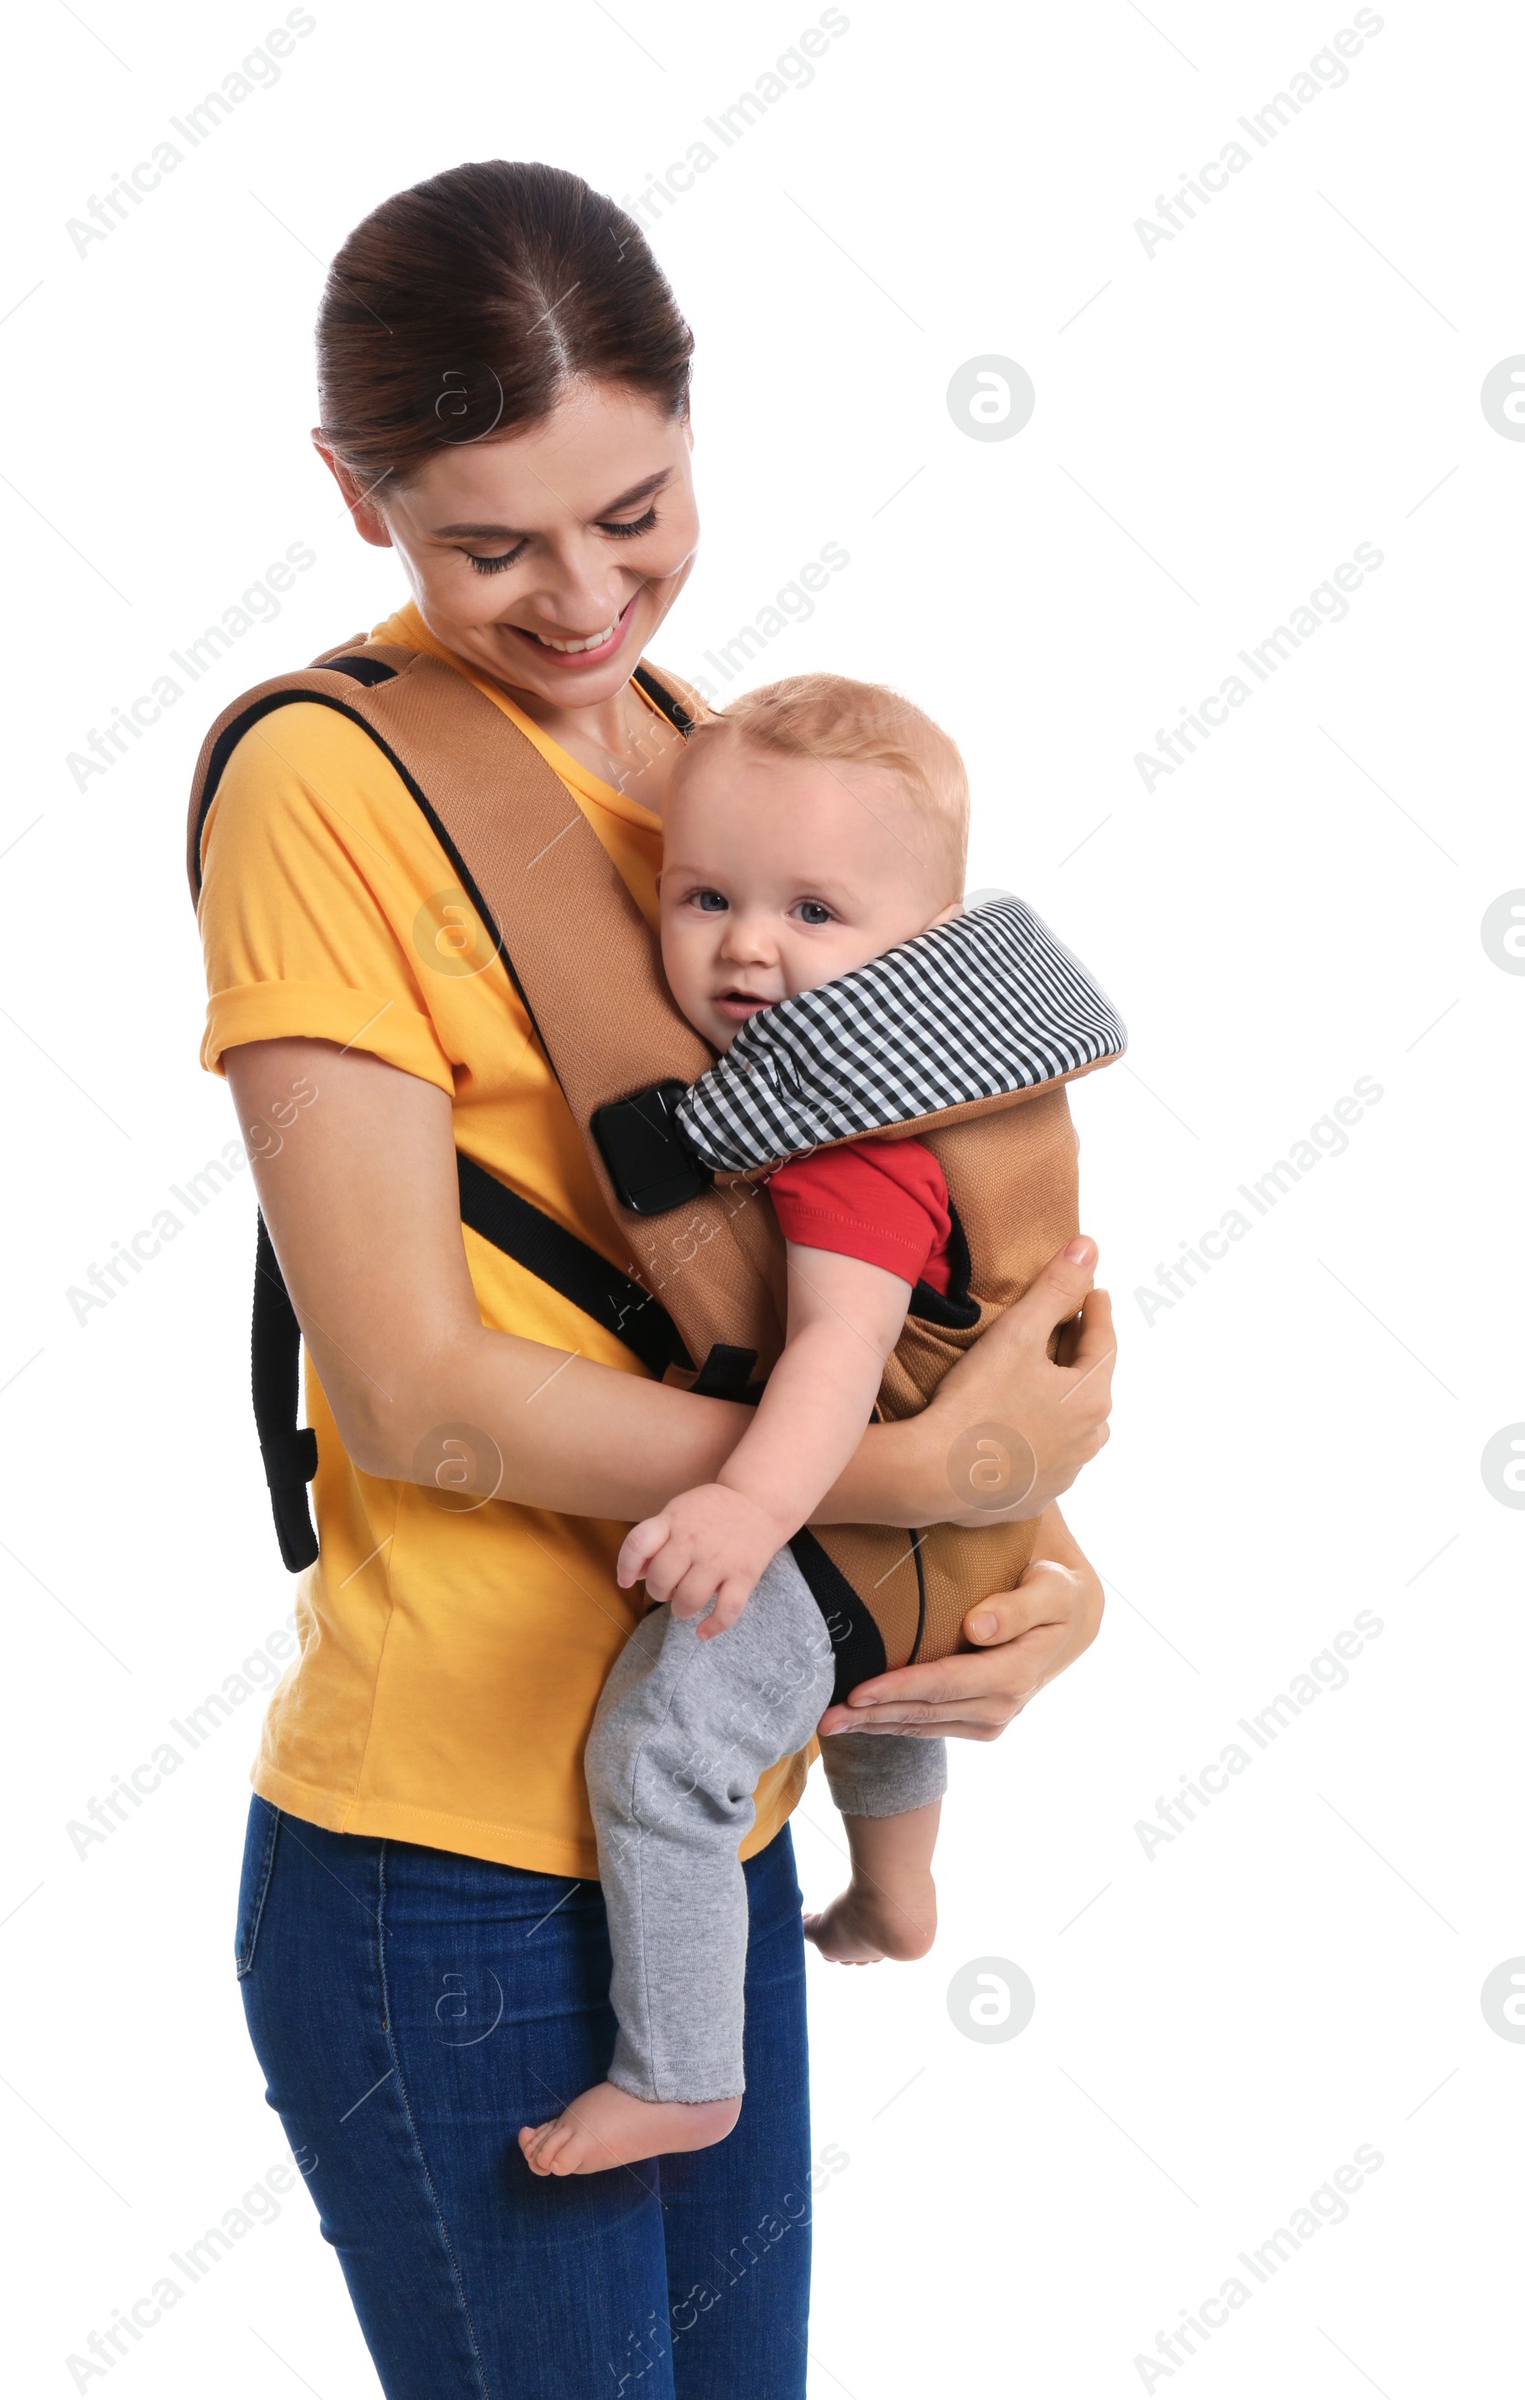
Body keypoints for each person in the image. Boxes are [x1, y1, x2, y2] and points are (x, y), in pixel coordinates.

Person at [204, 159, 1114, 2400]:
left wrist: (1017, 1560)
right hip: (455, 1866)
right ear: (355, 496)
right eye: (485, 542)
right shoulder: (331, 786)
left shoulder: (737, 774)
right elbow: (409, 1382)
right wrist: (909, 1480)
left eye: (634, 507)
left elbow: (853, 1257)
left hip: (722, 1799)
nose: (579, 593)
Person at [520, 670, 1035, 2177]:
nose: (748, 945)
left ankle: (682, 2072)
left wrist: (746, 1511)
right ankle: (894, 1892)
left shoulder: (850, 1138)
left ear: (922, 951)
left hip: (836, 1523)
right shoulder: (880, 1086)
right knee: (868, 1705)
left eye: (816, 914)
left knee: (666, 1751)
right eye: (703, 899)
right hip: (936, 1554)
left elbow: (834, 1353)